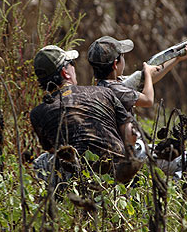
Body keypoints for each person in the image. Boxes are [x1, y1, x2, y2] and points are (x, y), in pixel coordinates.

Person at [87, 36, 187, 177]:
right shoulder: (116, 89)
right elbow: (147, 100)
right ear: (116, 64)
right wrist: (147, 73)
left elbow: (150, 78)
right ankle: (177, 194)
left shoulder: (103, 86)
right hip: (132, 151)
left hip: (122, 149)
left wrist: (176, 58)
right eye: (122, 56)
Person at [30, 45, 141, 184]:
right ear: (65, 73)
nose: (74, 67)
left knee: (42, 162)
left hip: (77, 183)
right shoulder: (104, 92)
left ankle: (56, 201)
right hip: (118, 179)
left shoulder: (37, 114)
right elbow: (130, 134)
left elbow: (53, 149)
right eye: (71, 64)